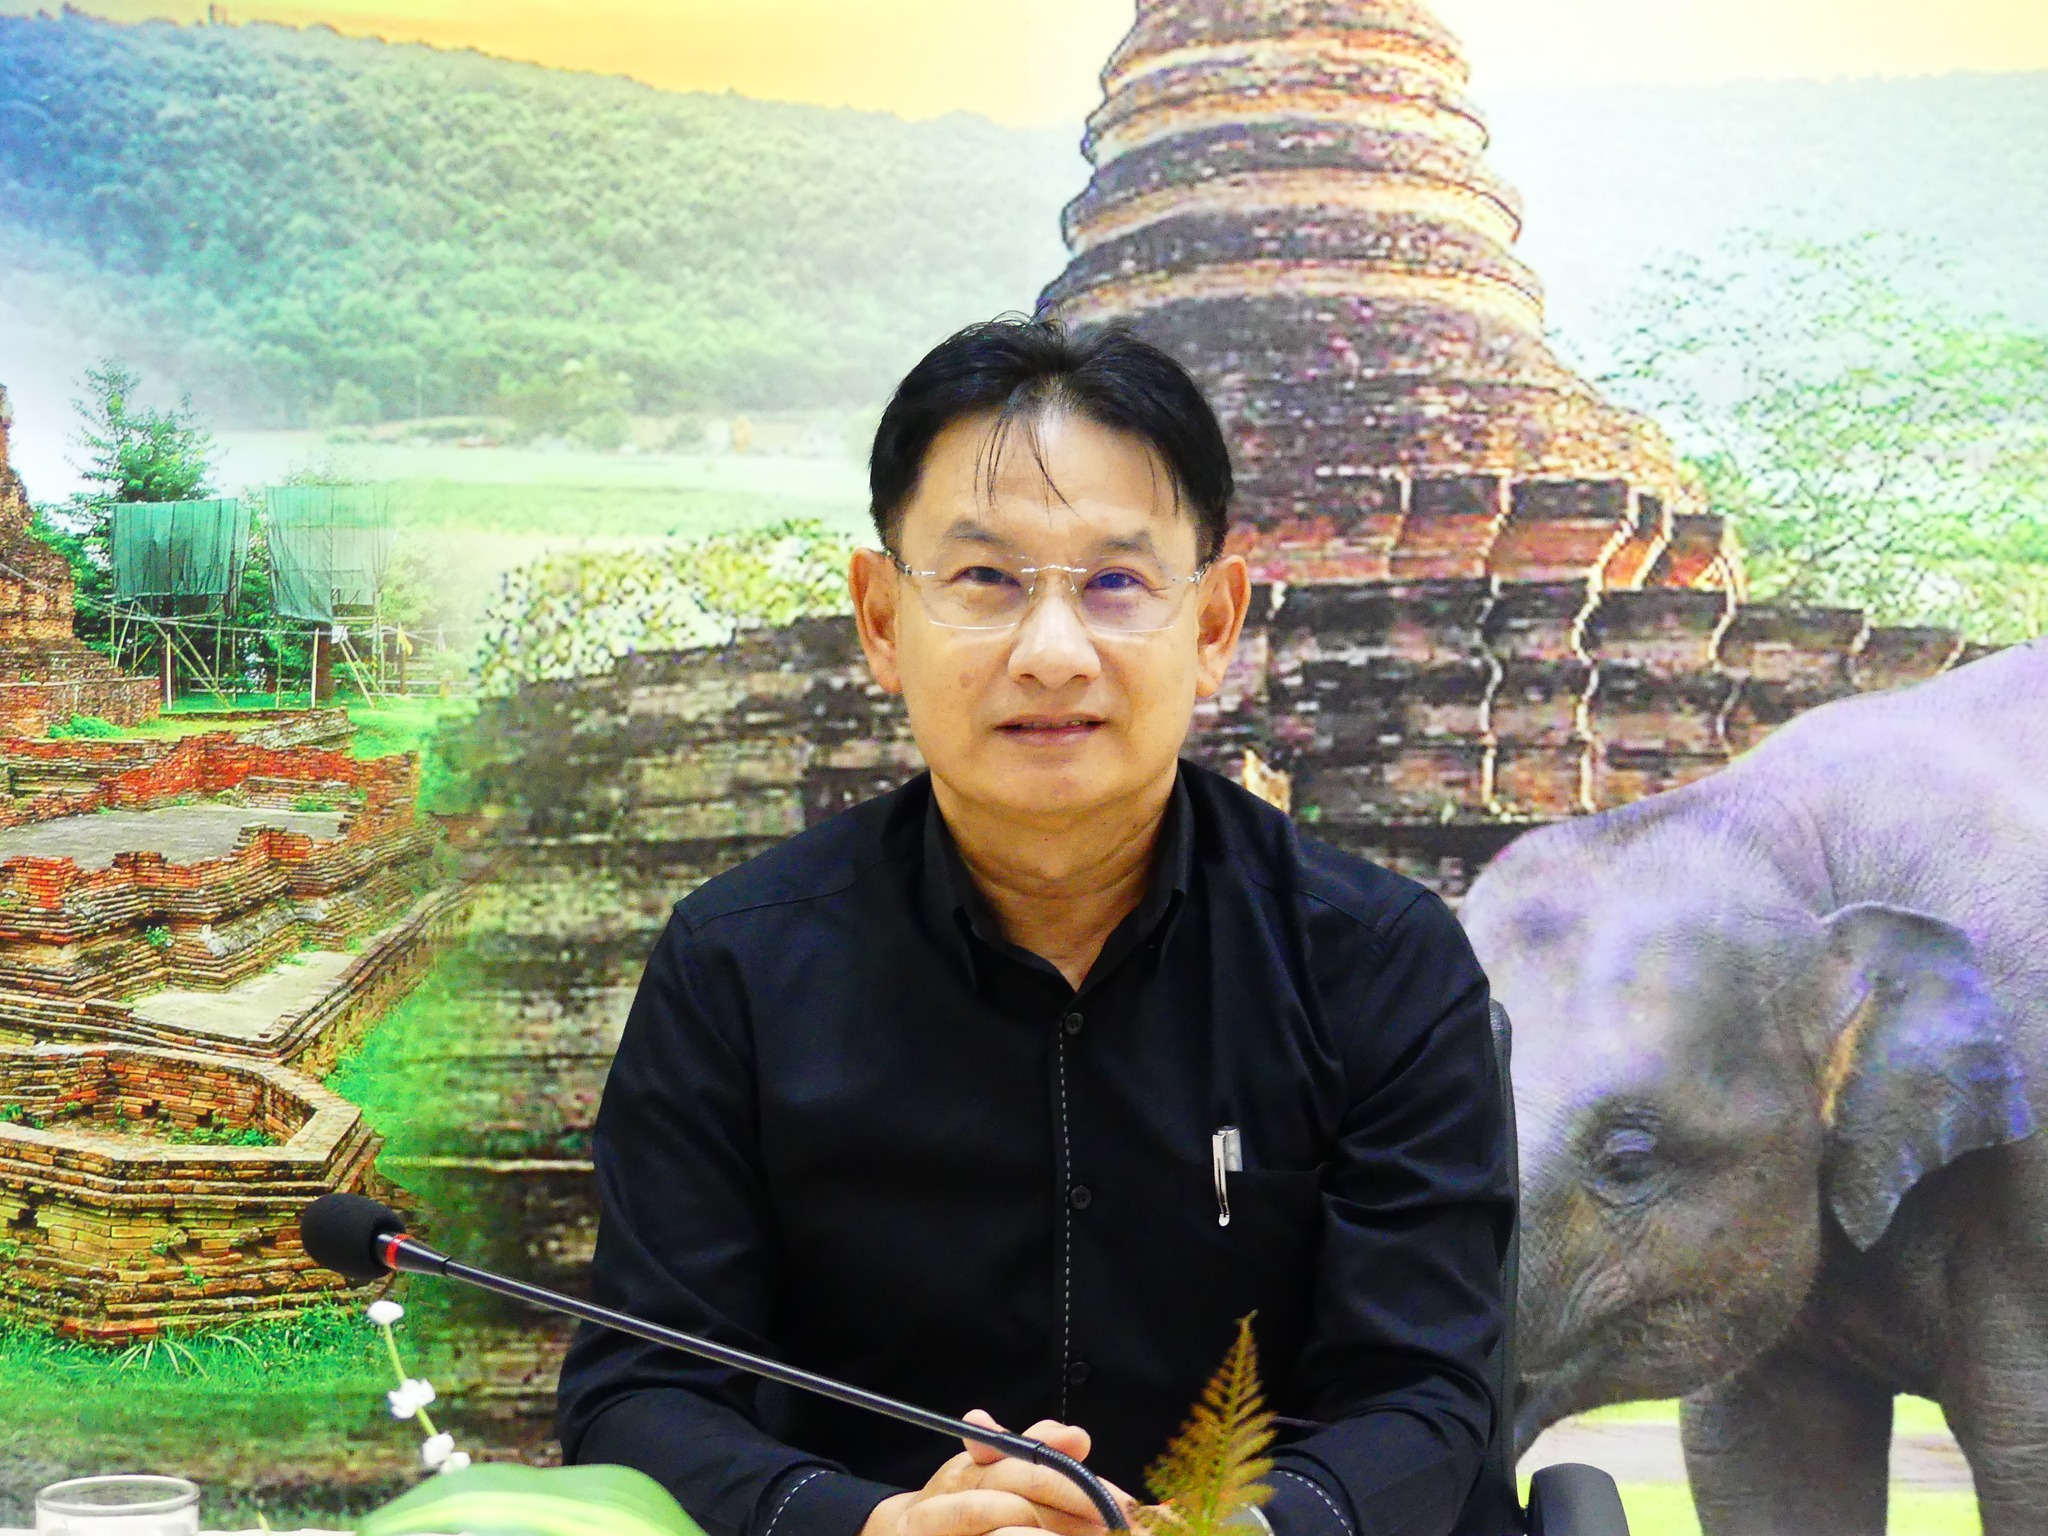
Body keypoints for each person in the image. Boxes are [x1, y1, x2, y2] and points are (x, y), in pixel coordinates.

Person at [555, 318, 1513, 1536]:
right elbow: (640, 1391)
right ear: (880, 620)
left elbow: (1424, 1393)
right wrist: (871, 1525)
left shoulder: (1377, 962)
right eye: (984, 580)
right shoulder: (733, 968)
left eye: (1115, 584)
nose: (1052, 654)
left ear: (1212, 625)